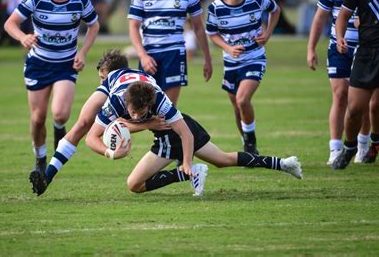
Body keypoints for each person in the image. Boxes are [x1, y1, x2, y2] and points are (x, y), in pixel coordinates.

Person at [30, 50, 302, 196]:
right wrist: (111, 152)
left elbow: (183, 132)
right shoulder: (115, 100)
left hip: (173, 135)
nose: (135, 117)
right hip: (164, 131)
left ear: (149, 104)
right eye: (132, 113)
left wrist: (184, 163)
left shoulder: (161, 101)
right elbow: (92, 137)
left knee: (134, 185)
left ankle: (188, 173)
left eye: (141, 113)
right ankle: (283, 163)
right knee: (223, 159)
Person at [4, 0, 100, 177]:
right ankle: (40, 157)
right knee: (38, 118)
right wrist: (22, 37)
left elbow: (94, 26)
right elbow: (10, 23)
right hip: (38, 64)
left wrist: (83, 53)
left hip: (66, 65)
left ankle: (59, 130)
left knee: (60, 114)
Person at [306, 0, 371, 165]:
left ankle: (363, 144)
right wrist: (311, 48)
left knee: (362, 102)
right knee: (340, 94)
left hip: (367, 50)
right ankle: (335, 148)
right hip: (338, 47)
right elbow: (320, 17)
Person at [206, 0, 281, 155]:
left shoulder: (257, 0)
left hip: (254, 58)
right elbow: (212, 34)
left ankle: (250, 141)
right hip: (231, 64)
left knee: (242, 99)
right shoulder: (215, 8)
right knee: (236, 107)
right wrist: (228, 48)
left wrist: (269, 33)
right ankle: (247, 144)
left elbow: (276, 10)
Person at [128, 0, 212, 106]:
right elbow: (133, 27)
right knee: (144, 108)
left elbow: (199, 27)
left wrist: (207, 59)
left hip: (174, 54)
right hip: (149, 54)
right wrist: (142, 55)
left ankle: (169, 131)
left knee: (168, 109)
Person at [332, 0, 379, 169]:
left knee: (377, 105)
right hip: (366, 53)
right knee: (354, 110)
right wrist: (340, 36)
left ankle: (375, 144)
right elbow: (343, 15)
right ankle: (349, 147)